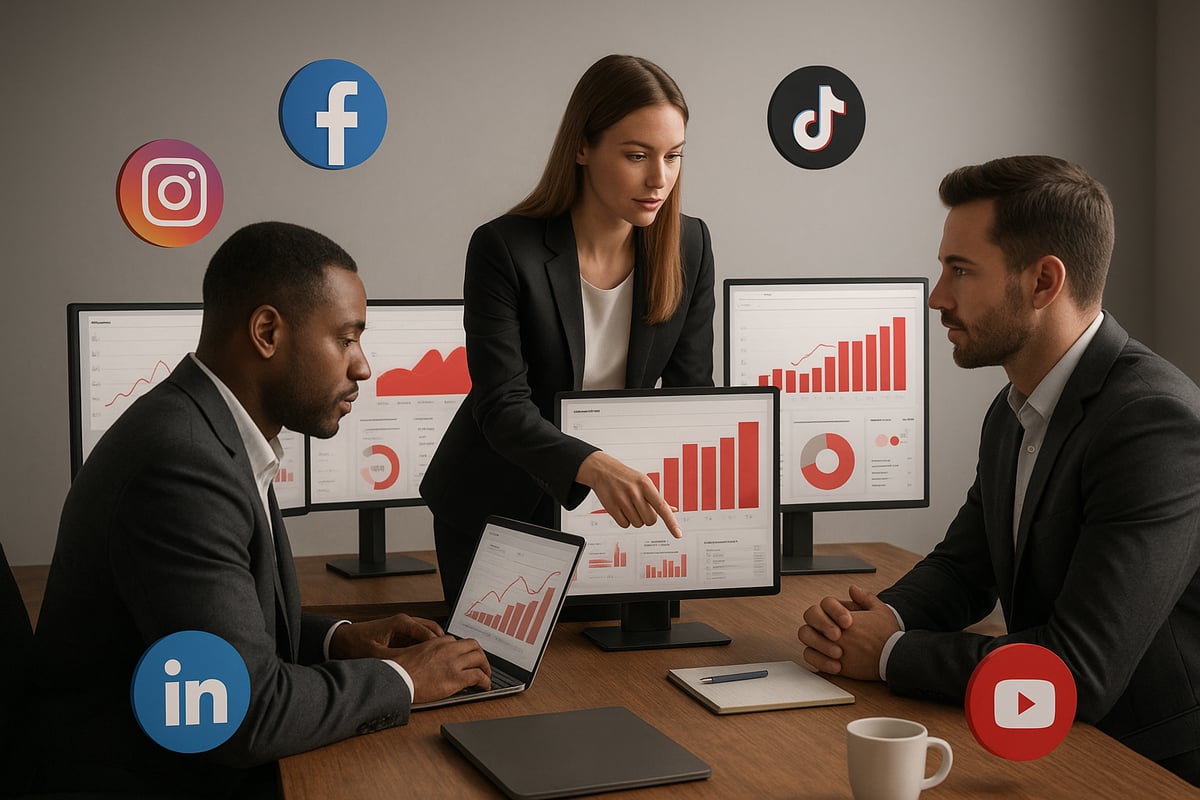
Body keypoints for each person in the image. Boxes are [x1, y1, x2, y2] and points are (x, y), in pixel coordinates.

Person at [30, 222, 491, 798]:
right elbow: (237, 712)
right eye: (347, 338)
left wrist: (340, 639)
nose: (363, 367)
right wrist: (403, 678)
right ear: (267, 331)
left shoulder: (206, 429)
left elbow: (223, 630)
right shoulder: (184, 465)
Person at [797, 155, 1200, 786]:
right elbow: (966, 567)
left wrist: (892, 655)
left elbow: (1079, 671)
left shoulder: (1153, 423)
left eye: (960, 271)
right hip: (1042, 739)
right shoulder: (1014, 407)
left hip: (1145, 764)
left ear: (1043, 283)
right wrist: (874, 621)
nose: (938, 297)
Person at [420, 54, 716, 607]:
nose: (660, 179)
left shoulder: (690, 246)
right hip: (500, 501)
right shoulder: (504, 249)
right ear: (582, 147)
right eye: (637, 155)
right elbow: (502, 406)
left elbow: (688, 398)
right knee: (505, 683)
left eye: (674, 157)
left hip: (622, 511)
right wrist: (594, 466)